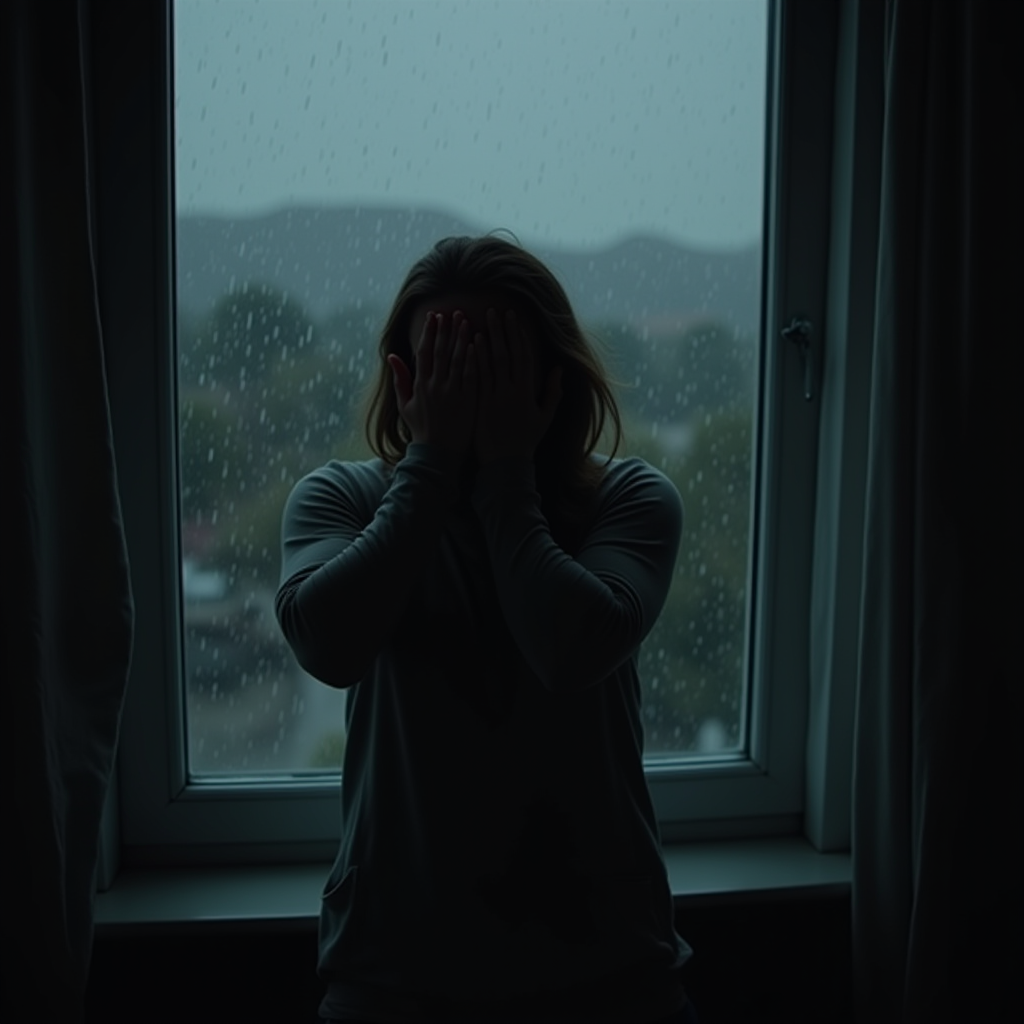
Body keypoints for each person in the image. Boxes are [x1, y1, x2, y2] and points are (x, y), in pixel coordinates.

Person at [275, 235, 695, 1024]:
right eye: (446, 359)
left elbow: (570, 651)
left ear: (551, 377)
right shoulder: (341, 500)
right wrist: (431, 466)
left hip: (608, 972)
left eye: (493, 359)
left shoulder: (628, 499)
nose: (469, 383)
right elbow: (326, 646)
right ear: (404, 378)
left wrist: (505, 475)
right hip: (395, 974)